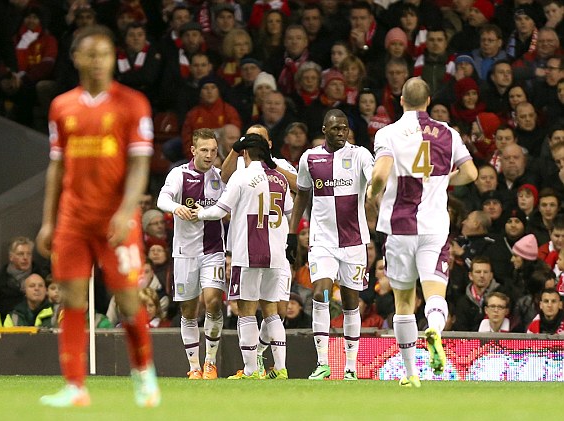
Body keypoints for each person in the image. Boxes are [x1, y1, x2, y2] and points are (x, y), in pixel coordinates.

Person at [35, 25, 159, 408]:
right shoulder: (61, 106)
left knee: (127, 299)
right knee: (71, 297)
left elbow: (140, 164)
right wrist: (48, 220)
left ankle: (143, 373)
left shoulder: (132, 103)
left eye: (105, 54)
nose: (99, 61)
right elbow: (56, 167)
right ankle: (75, 387)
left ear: (112, 58)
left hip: (115, 219)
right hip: (74, 217)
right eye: (91, 54)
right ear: (76, 58)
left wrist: (126, 210)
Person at [367, 78, 477, 387]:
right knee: (434, 293)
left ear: (401, 100)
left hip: (399, 227)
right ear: (428, 101)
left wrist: (370, 193)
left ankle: (411, 374)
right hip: (434, 227)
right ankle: (435, 331)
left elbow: (381, 173)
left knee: (404, 302)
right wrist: (442, 181)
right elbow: (471, 173)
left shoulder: (387, 133)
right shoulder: (449, 133)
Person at [194, 132, 292, 380]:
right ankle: (280, 369)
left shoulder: (242, 176)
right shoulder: (280, 179)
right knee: (271, 310)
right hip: (277, 254)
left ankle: (250, 370)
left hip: (248, 253)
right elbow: (289, 210)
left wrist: (199, 213)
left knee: (246, 310)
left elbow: (219, 210)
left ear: (245, 153)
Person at [289, 109, 374, 381]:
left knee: (350, 302)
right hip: (322, 241)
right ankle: (322, 363)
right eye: (336, 128)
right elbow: (302, 195)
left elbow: (375, 181)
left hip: (354, 242)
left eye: (345, 128)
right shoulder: (309, 158)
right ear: (324, 130)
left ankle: (350, 366)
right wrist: (293, 234)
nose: (341, 133)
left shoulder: (360, 155)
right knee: (321, 294)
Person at [157, 128, 226, 380]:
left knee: (213, 301)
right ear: (193, 150)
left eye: (213, 151)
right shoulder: (180, 174)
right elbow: (162, 199)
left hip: (213, 251)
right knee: (188, 310)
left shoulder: (221, 177)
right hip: (185, 252)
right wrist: (176, 208)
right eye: (204, 150)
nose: (209, 155)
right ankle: (194, 366)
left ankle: (210, 362)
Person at [0, 236, 48, 320]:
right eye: (20, 254)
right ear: (11, 257)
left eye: (28, 254)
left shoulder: (42, 277)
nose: (25, 258)